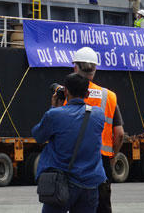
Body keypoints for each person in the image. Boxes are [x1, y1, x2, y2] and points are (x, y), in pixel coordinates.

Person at [56, 47, 124, 213]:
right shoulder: (109, 96)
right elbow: (120, 134)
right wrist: (113, 157)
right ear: (95, 69)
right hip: (100, 161)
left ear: (75, 68)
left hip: (73, 159)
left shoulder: (66, 94)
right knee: (102, 206)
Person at [33, 73, 107, 213]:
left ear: (66, 91)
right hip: (90, 184)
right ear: (87, 93)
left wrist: (54, 107)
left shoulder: (55, 115)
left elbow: (38, 136)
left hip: (62, 183)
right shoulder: (98, 115)